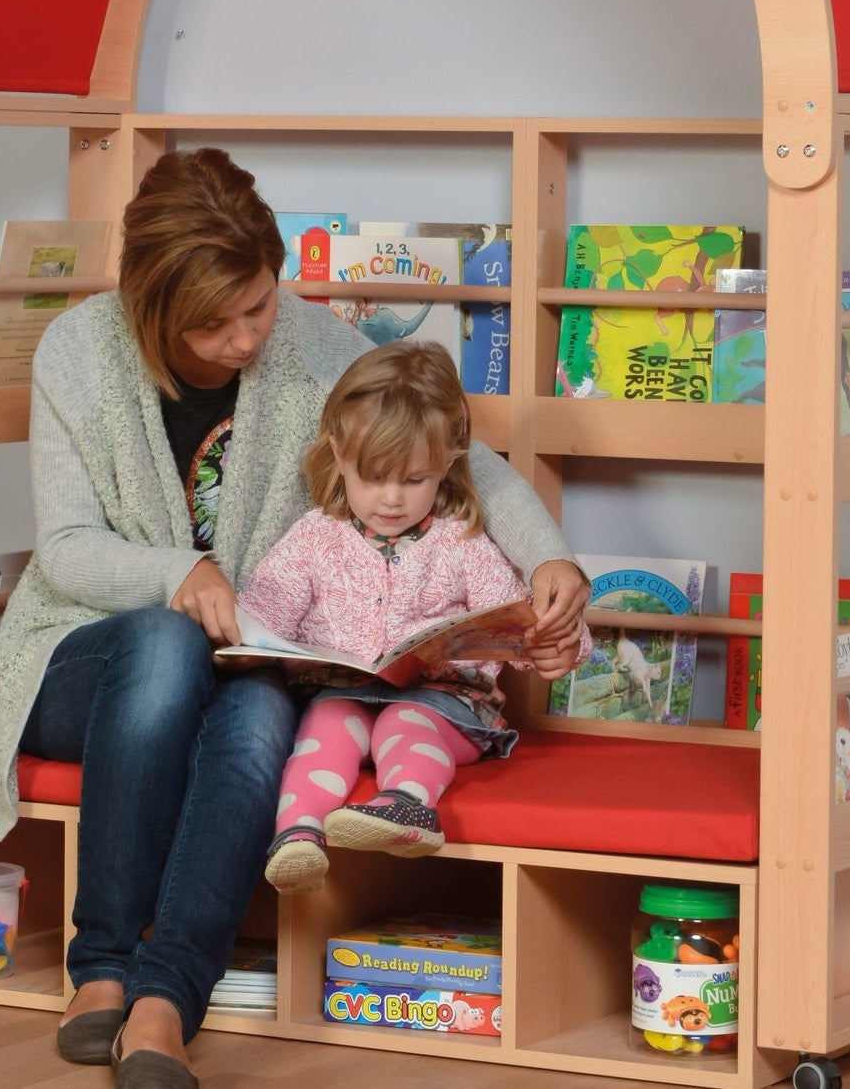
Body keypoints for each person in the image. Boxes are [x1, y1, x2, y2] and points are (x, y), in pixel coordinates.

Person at [0, 148, 589, 1089]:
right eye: (214, 323)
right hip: (83, 657)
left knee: (259, 715)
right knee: (165, 639)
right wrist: (180, 574)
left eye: (257, 305)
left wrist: (548, 558)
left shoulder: (308, 340)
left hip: (248, 657)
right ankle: (102, 966)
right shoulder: (78, 353)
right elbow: (66, 550)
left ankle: (166, 1001)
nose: (246, 338)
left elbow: (465, 458)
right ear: (150, 306)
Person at [240, 340, 591, 894]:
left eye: (413, 480)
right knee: (325, 725)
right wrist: (243, 644)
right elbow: (262, 617)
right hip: (344, 693)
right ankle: (297, 835)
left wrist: (559, 643)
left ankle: (406, 806)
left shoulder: (463, 543)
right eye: (373, 477)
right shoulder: (312, 537)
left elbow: (519, 622)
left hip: (446, 706)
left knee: (405, 720)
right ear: (338, 453)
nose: (391, 500)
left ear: (447, 464)